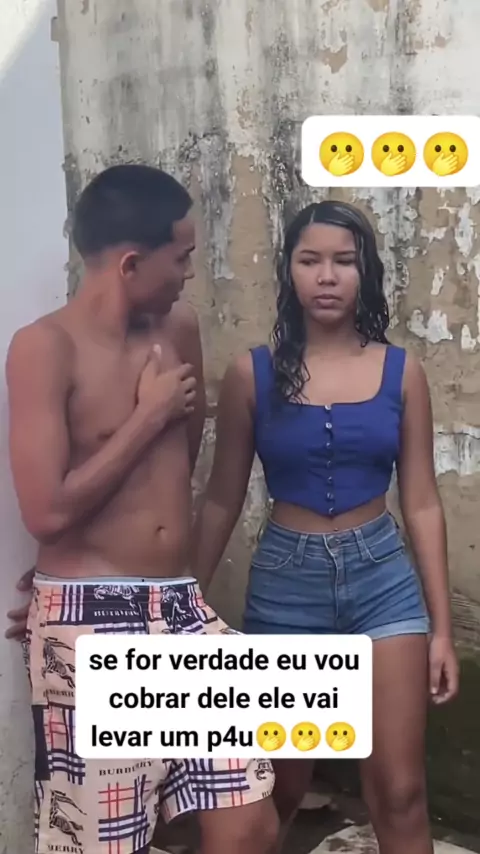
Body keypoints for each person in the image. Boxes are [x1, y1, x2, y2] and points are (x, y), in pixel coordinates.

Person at [4, 164, 278, 854]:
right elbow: (46, 513)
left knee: (249, 821)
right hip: (90, 624)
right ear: (131, 263)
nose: (191, 272)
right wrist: (147, 415)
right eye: (181, 257)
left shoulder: (177, 328)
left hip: (179, 604)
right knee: (106, 840)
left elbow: (175, 465)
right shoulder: (44, 348)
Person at [189, 200, 459, 854]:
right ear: (289, 270)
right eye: (310, 260)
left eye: (344, 261)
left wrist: (442, 630)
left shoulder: (403, 372)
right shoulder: (252, 374)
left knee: (399, 790)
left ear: (366, 271)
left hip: (383, 584)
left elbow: (422, 501)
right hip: (287, 589)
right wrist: (181, 603)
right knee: (276, 791)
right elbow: (222, 498)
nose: (328, 276)